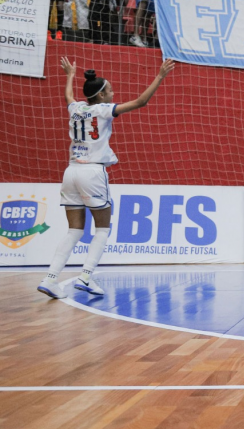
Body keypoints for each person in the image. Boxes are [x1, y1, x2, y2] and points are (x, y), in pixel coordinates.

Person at [38, 57, 176, 300]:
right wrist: (160, 76)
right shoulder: (103, 110)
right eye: (110, 90)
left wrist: (70, 74)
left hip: (70, 172)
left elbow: (69, 97)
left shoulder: (76, 108)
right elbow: (141, 102)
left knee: (74, 230)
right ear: (101, 96)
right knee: (102, 228)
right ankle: (86, 276)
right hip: (92, 172)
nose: (114, 93)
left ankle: (50, 278)